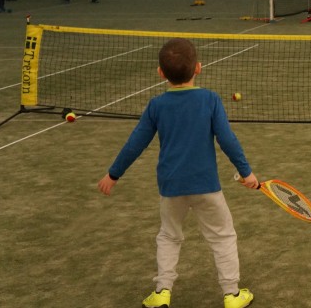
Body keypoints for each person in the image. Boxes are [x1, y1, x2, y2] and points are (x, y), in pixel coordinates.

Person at [97, 38, 257, 308]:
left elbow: (135, 143)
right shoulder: (210, 99)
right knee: (223, 236)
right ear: (198, 68)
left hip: (171, 187)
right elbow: (227, 139)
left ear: (160, 73)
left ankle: (162, 292)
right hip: (207, 186)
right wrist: (246, 172)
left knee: (169, 237)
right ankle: (231, 295)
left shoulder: (156, 105)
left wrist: (113, 175)